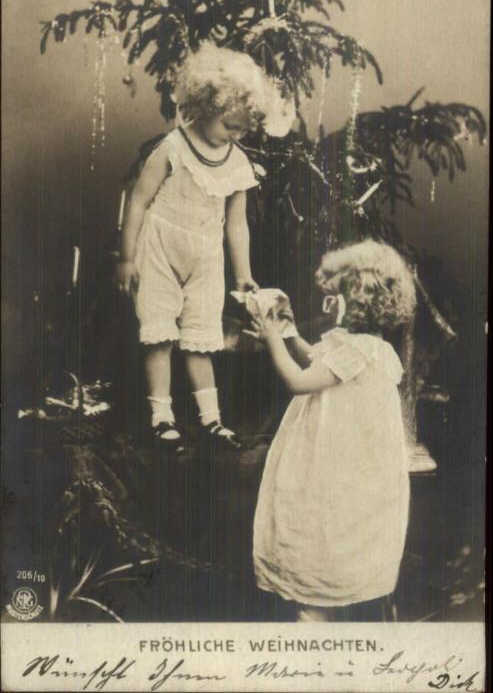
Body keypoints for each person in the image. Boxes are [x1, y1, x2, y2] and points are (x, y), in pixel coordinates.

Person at [115, 42, 292, 453]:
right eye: (231, 126)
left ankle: (211, 420)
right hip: (160, 247)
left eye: (245, 130)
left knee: (201, 337)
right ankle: (162, 417)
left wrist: (244, 272)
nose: (238, 135)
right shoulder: (172, 148)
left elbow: (237, 224)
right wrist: (126, 258)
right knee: (158, 336)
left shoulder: (238, 163)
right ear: (208, 106)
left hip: (206, 256)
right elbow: (138, 200)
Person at [250, 239, 416, 621]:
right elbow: (318, 361)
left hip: (335, 462)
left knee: (320, 536)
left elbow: (300, 380)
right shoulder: (369, 348)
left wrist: (273, 339)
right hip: (348, 460)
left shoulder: (358, 350)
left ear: (357, 301)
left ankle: (313, 622)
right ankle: (323, 609)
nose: (329, 304)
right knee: (329, 539)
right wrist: (290, 334)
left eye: (335, 297)